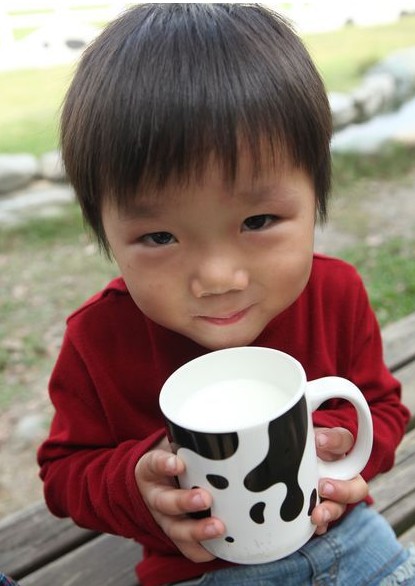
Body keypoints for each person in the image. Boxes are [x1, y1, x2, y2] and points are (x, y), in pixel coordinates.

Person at [38, 4, 414, 586]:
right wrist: (138, 485)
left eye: (257, 221)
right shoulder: (98, 340)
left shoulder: (335, 293)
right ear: (105, 232)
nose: (217, 278)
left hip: (349, 536)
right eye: (160, 236)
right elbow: (64, 475)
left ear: (316, 195)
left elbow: (382, 406)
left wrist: (341, 446)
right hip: (199, 570)